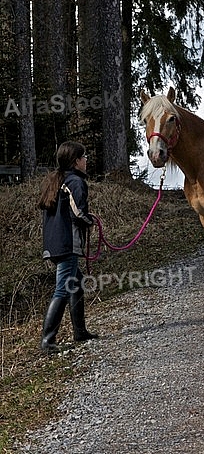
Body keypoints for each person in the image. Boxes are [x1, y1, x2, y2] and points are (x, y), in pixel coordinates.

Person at [38, 141, 98, 353]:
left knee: (77, 284)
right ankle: (47, 341)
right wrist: (91, 220)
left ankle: (79, 331)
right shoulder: (76, 182)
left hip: (53, 245)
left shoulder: (56, 181)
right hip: (67, 245)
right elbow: (78, 213)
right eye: (84, 157)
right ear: (76, 161)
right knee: (62, 289)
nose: (86, 160)